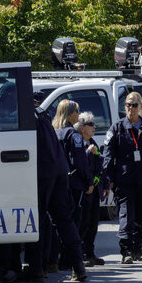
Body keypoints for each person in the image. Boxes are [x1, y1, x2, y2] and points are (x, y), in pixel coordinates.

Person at [24, 102, 87, 282]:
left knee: (39, 220)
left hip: (42, 173)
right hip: (58, 171)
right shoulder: (41, 115)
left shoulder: (25, 114)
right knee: (63, 219)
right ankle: (78, 267)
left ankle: (37, 269)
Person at [102, 92, 142, 264]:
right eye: (128, 105)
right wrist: (108, 177)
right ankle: (126, 251)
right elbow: (108, 155)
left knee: (140, 217)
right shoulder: (117, 128)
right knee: (126, 216)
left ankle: (138, 249)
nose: (131, 108)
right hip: (124, 180)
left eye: (135, 105)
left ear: (141, 107)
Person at [52, 100, 90, 271]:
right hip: (73, 184)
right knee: (73, 222)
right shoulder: (73, 134)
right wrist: (89, 181)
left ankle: (54, 259)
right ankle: (69, 261)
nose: (79, 115)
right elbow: (79, 162)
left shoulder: (53, 132)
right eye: (77, 111)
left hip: (54, 184)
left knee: (55, 223)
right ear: (69, 114)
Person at [78, 112, 109, 267]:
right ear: (82, 127)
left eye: (94, 124)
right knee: (83, 224)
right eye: (90, 124)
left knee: (93, 224)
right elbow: (78, 164)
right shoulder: (78, 143)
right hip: (84, 190)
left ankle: (90, 253)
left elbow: (100, 164)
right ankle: (82, 254)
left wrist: (104, 184)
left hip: (95, 190)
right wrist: (87, 152)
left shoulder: (93, 143)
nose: (94, 127)